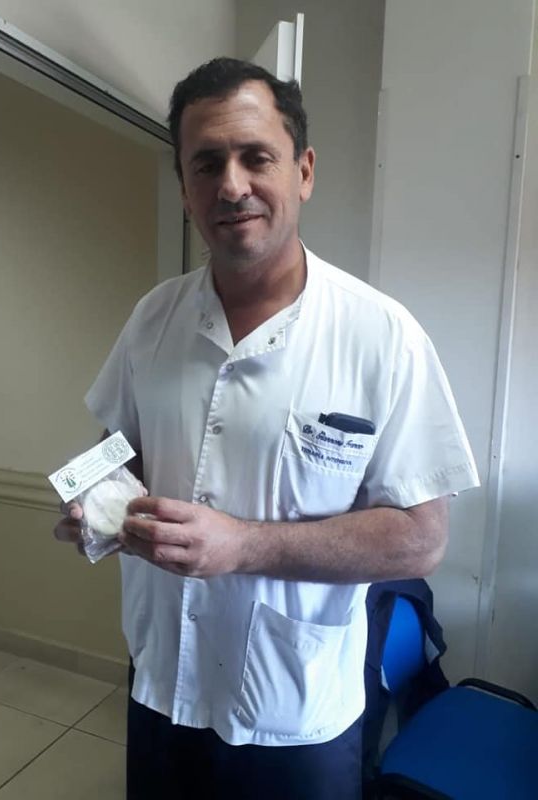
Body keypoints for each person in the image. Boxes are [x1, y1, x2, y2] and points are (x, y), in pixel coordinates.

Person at [55, 57, 479, 799]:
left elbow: (421, 539)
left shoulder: (383, 336)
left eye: (256, 157)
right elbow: (118, 448)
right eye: (206, 163)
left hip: (295, 716)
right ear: (184, 187)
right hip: (162, 686)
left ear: (303, 171)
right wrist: (97, 502)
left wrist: (243, 545)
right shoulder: (154, 318)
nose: (231, 185)